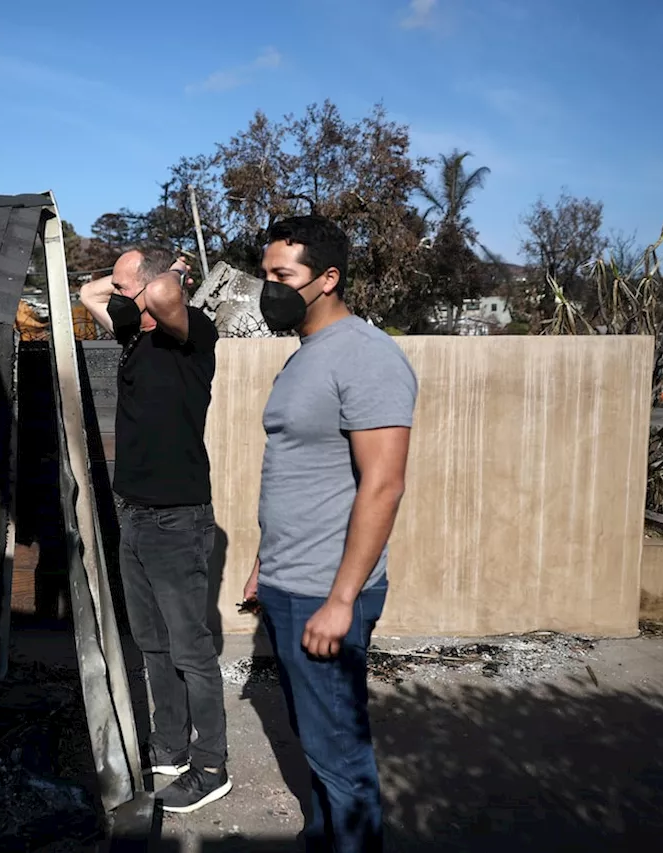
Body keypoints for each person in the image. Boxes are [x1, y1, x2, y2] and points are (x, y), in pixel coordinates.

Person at [242, 215, 417, 852]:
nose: (270, 289)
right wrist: (266, 559)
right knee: (315, 745)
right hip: (290, 582)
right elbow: (299, 471)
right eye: (266, 275)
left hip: (326, 592)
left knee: (340, 756)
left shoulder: (367, 356)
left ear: (328, 279)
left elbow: (383, 485)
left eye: (283, 276)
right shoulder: (306, 356)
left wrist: (341, 600)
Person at [79, 245, 231, 814]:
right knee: (153, 643)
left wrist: (164, 277)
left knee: (191, 649)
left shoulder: (192, 337)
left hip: (177, 517)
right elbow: (89, 294)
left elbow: (166, 294)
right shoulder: (134, 336)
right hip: (134, 514)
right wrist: (124, 285)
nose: (114, 296)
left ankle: (211, 766)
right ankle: (169, 747)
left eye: (126, 288)